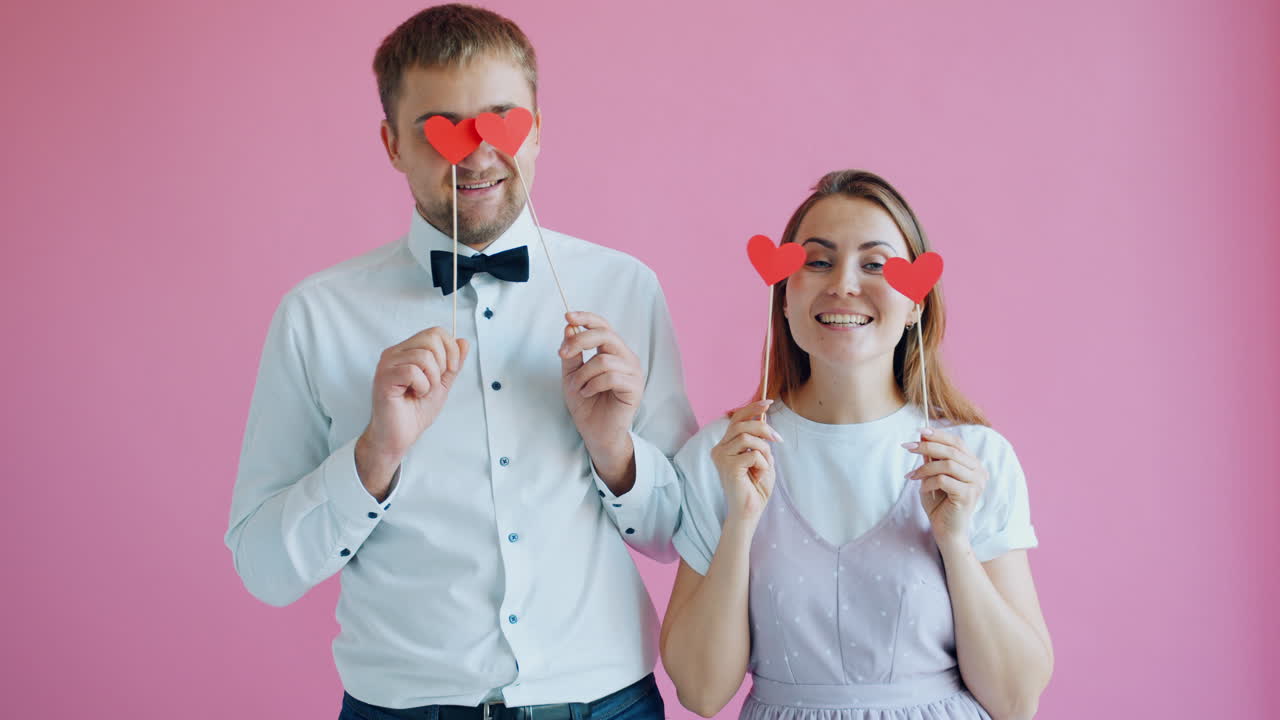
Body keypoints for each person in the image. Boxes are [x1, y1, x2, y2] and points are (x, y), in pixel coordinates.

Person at [224, 5, 695, 718]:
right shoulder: (316, 316)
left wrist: (613, 448)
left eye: (501, 120)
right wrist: (374, 455)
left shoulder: (624, 289)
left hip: (607, 702)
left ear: (537, 127)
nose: (476, 155)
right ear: (391, 144)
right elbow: (264, 569)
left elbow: (678, 535)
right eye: (441, 128)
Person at [661, 170, 1052, 720]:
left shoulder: (977, 459)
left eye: (876, 265)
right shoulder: (723, 457)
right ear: (786, 298)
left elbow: (1015, 699)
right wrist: (739, 525)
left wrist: (956, 544)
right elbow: (701, 693)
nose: (844, 284)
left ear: (916, 303)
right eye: (817, 261)